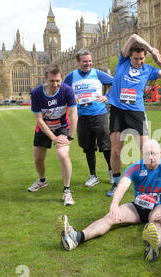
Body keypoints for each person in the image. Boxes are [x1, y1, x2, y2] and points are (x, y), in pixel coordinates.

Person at [57, 139, 161, 262]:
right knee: (110, 218)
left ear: (160, 153)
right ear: (142, 153)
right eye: (148, 154)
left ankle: (153, 249)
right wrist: (114, 205)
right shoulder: (135, 167)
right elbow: (122, 185)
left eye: (154, 154)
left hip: (159, 207)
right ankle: (77, 237)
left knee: (155, 224)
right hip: (137, 207)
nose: (151, 158)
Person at [106, 34, 161, 197]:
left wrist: (159, 61)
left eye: (142, 59)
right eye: (136, 59)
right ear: (129, 56)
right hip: (117, 110)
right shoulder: (122, 63)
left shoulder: (148, 70)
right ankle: (116, 183)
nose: (139, 62)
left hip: (136, 112)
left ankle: (151, 182)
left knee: (147, 150)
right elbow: (133, 36)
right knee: (116, 151)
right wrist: (151, 49)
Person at [27, 64, 78, 206]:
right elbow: (39, 119)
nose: (55, 84)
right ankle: (42, 181)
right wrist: (53, 138)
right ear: (45, 79)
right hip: (44, 128)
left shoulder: (67, 90)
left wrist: (70, 137)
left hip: (62, 127)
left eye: (58, 81)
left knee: (63, 155)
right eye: (52, 81)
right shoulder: (36, 93)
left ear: (61, 79)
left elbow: (74, 115)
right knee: (38, 158)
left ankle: (67, 191)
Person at [64, 48, 114, 188]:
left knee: (106, 146)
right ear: (78, 62)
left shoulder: (97, 73)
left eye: (90, 61)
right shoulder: (71, 77)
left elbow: (115, 83)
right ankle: (93, 175)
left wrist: (107, 96)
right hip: (82, 117)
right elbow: (63, 91)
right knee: (88, 148)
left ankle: (111, 172)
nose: (88, 64)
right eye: (85, 61)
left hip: (99, 114)